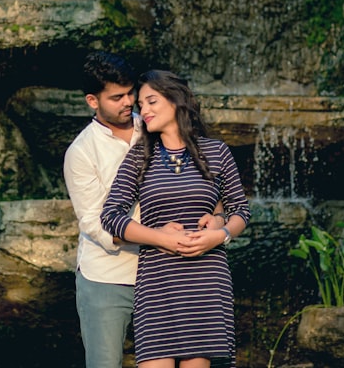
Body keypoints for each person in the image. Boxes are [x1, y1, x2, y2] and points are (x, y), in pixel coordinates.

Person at [64, 53, 223, 368]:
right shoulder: (81, 153)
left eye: (130, 93)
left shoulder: (156, 125)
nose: (129, 102)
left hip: (169, 272)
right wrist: (159, 237)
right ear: (92, 101)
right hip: (108, 278)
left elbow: (205, 180)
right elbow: (96, 225)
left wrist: (216, 217)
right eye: (117, 97)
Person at [101, 69, 251, 368]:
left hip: (205, 279)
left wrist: (219, 234)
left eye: (151, 101)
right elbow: (111, 216)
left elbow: (241, 210)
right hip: (158, 281)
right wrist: (160, 237)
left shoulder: (216, 151)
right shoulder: (140, 156)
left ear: (176, 100)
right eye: (141, 105)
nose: (143, 110)